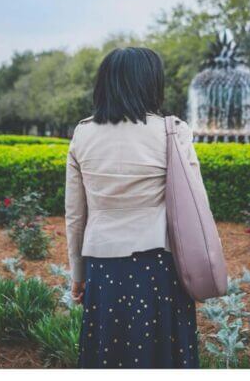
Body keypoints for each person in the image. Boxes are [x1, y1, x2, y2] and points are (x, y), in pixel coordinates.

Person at [66, 47, 200, 368]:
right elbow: (194, 205)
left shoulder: (82, 134)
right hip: (160, 266)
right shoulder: (173, 131)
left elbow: (75, 216)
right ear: (151, 83)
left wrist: (78, 275)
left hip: (102, 266)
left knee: (108, 356)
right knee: (161, 356)